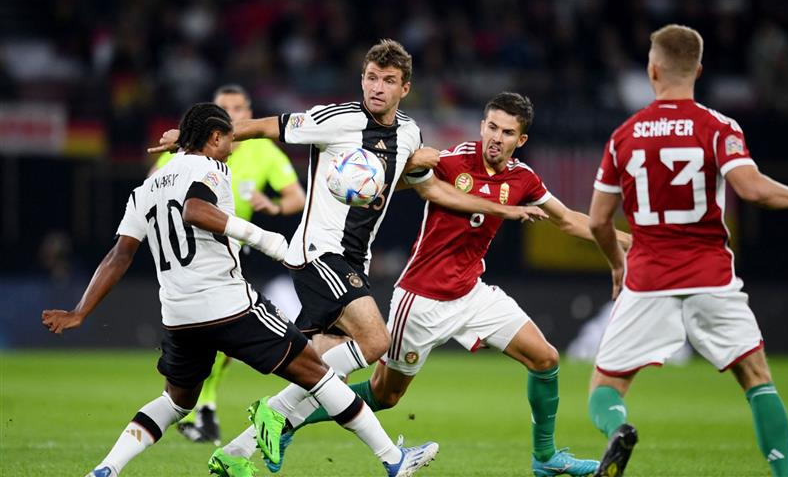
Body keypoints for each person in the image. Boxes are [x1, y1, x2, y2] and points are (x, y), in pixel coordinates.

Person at [149, 39, 548, 472]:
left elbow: (429, 188)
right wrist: (191, 139)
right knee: (376, 342)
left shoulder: (409, 133)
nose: (377, 87)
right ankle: (292, 418)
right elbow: (263, 127)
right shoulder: (335, 119)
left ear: (405, 88)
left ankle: (235, 454)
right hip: (319, 251)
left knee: (316, 366)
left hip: (353, 261)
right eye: (372, 78)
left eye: (388, 81)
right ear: (362, 80)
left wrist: (488, 202)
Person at [43, 102, 439, 477]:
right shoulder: (211, 169)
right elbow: (195, 210)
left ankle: (107, 468)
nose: (233, 148)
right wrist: (268, 241)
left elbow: (119, 255)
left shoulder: (144, 190)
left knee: (176, 402)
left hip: (178, 316)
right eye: (230, 139)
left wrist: (80, 311)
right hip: (228, 305)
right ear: (214, 138)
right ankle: (393, 460)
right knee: (319, 374)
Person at [272, 92, 632, 476]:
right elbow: (395, 181)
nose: (496, 138)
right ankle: (288, 420)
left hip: (472, 293)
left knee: (545, 359)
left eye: (507, 132)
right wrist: (393, 169)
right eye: (492, 127)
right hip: (421, 299)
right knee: (385, 394)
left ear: (521, 139)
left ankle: (545, 458)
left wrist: (634, 242)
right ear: (482, 126)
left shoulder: (523, 178)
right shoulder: (455, 159)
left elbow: (569, 220)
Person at [586, 24, 788, 477]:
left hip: (647, 279)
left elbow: (598, 221)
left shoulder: (624, 136)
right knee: (756, 378)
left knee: (605, 387)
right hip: (711, 277)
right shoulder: (718, 128)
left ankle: (619, 429)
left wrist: (616, 264)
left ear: (652, 69)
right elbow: (754, 190)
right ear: (699, 70)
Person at [152, 84, 306, 445]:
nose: (232, 114)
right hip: (188, 253)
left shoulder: (263, 151)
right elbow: (153, 187)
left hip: (232, 254)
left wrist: (274, 206)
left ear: (248, 113)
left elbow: (296, 197)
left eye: (238, 108)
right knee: (203, 334)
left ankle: (202, 406)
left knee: (220, 339)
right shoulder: (189, 149)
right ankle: (194, 404)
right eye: (224, 108)